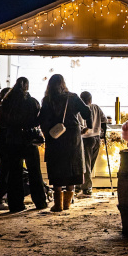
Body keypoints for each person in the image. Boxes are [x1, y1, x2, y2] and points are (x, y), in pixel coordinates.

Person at [39, 74, 92, 212]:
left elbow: (42, 119)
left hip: (55, 137)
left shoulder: (47, 100)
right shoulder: (72, 97)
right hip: (72, 137)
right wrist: (89, 125)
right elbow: (87, 111)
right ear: (63, 83)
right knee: (72, 167)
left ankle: (58, 205)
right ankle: (67, 204)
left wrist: (47, 133)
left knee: (56, 168)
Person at [0, 78, 48, 212]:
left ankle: (15, 205)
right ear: (26, 86)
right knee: (35, 172)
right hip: (29, 141)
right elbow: (38, 120)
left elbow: (2, 123)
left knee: (14, 174)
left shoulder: (7, 102)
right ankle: (40, 202)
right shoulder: (32, 102)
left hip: (12, 141)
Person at [77, 91, 107, 197]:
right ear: (91, 99)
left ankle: (86, 187)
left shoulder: (80, 110)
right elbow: (104, 120)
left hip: (86, 138)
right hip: (96, 137)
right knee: (91, 163)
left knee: (86, 164)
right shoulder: (96, 107)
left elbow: (79, 125)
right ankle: (83, 184)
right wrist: (103, 133)